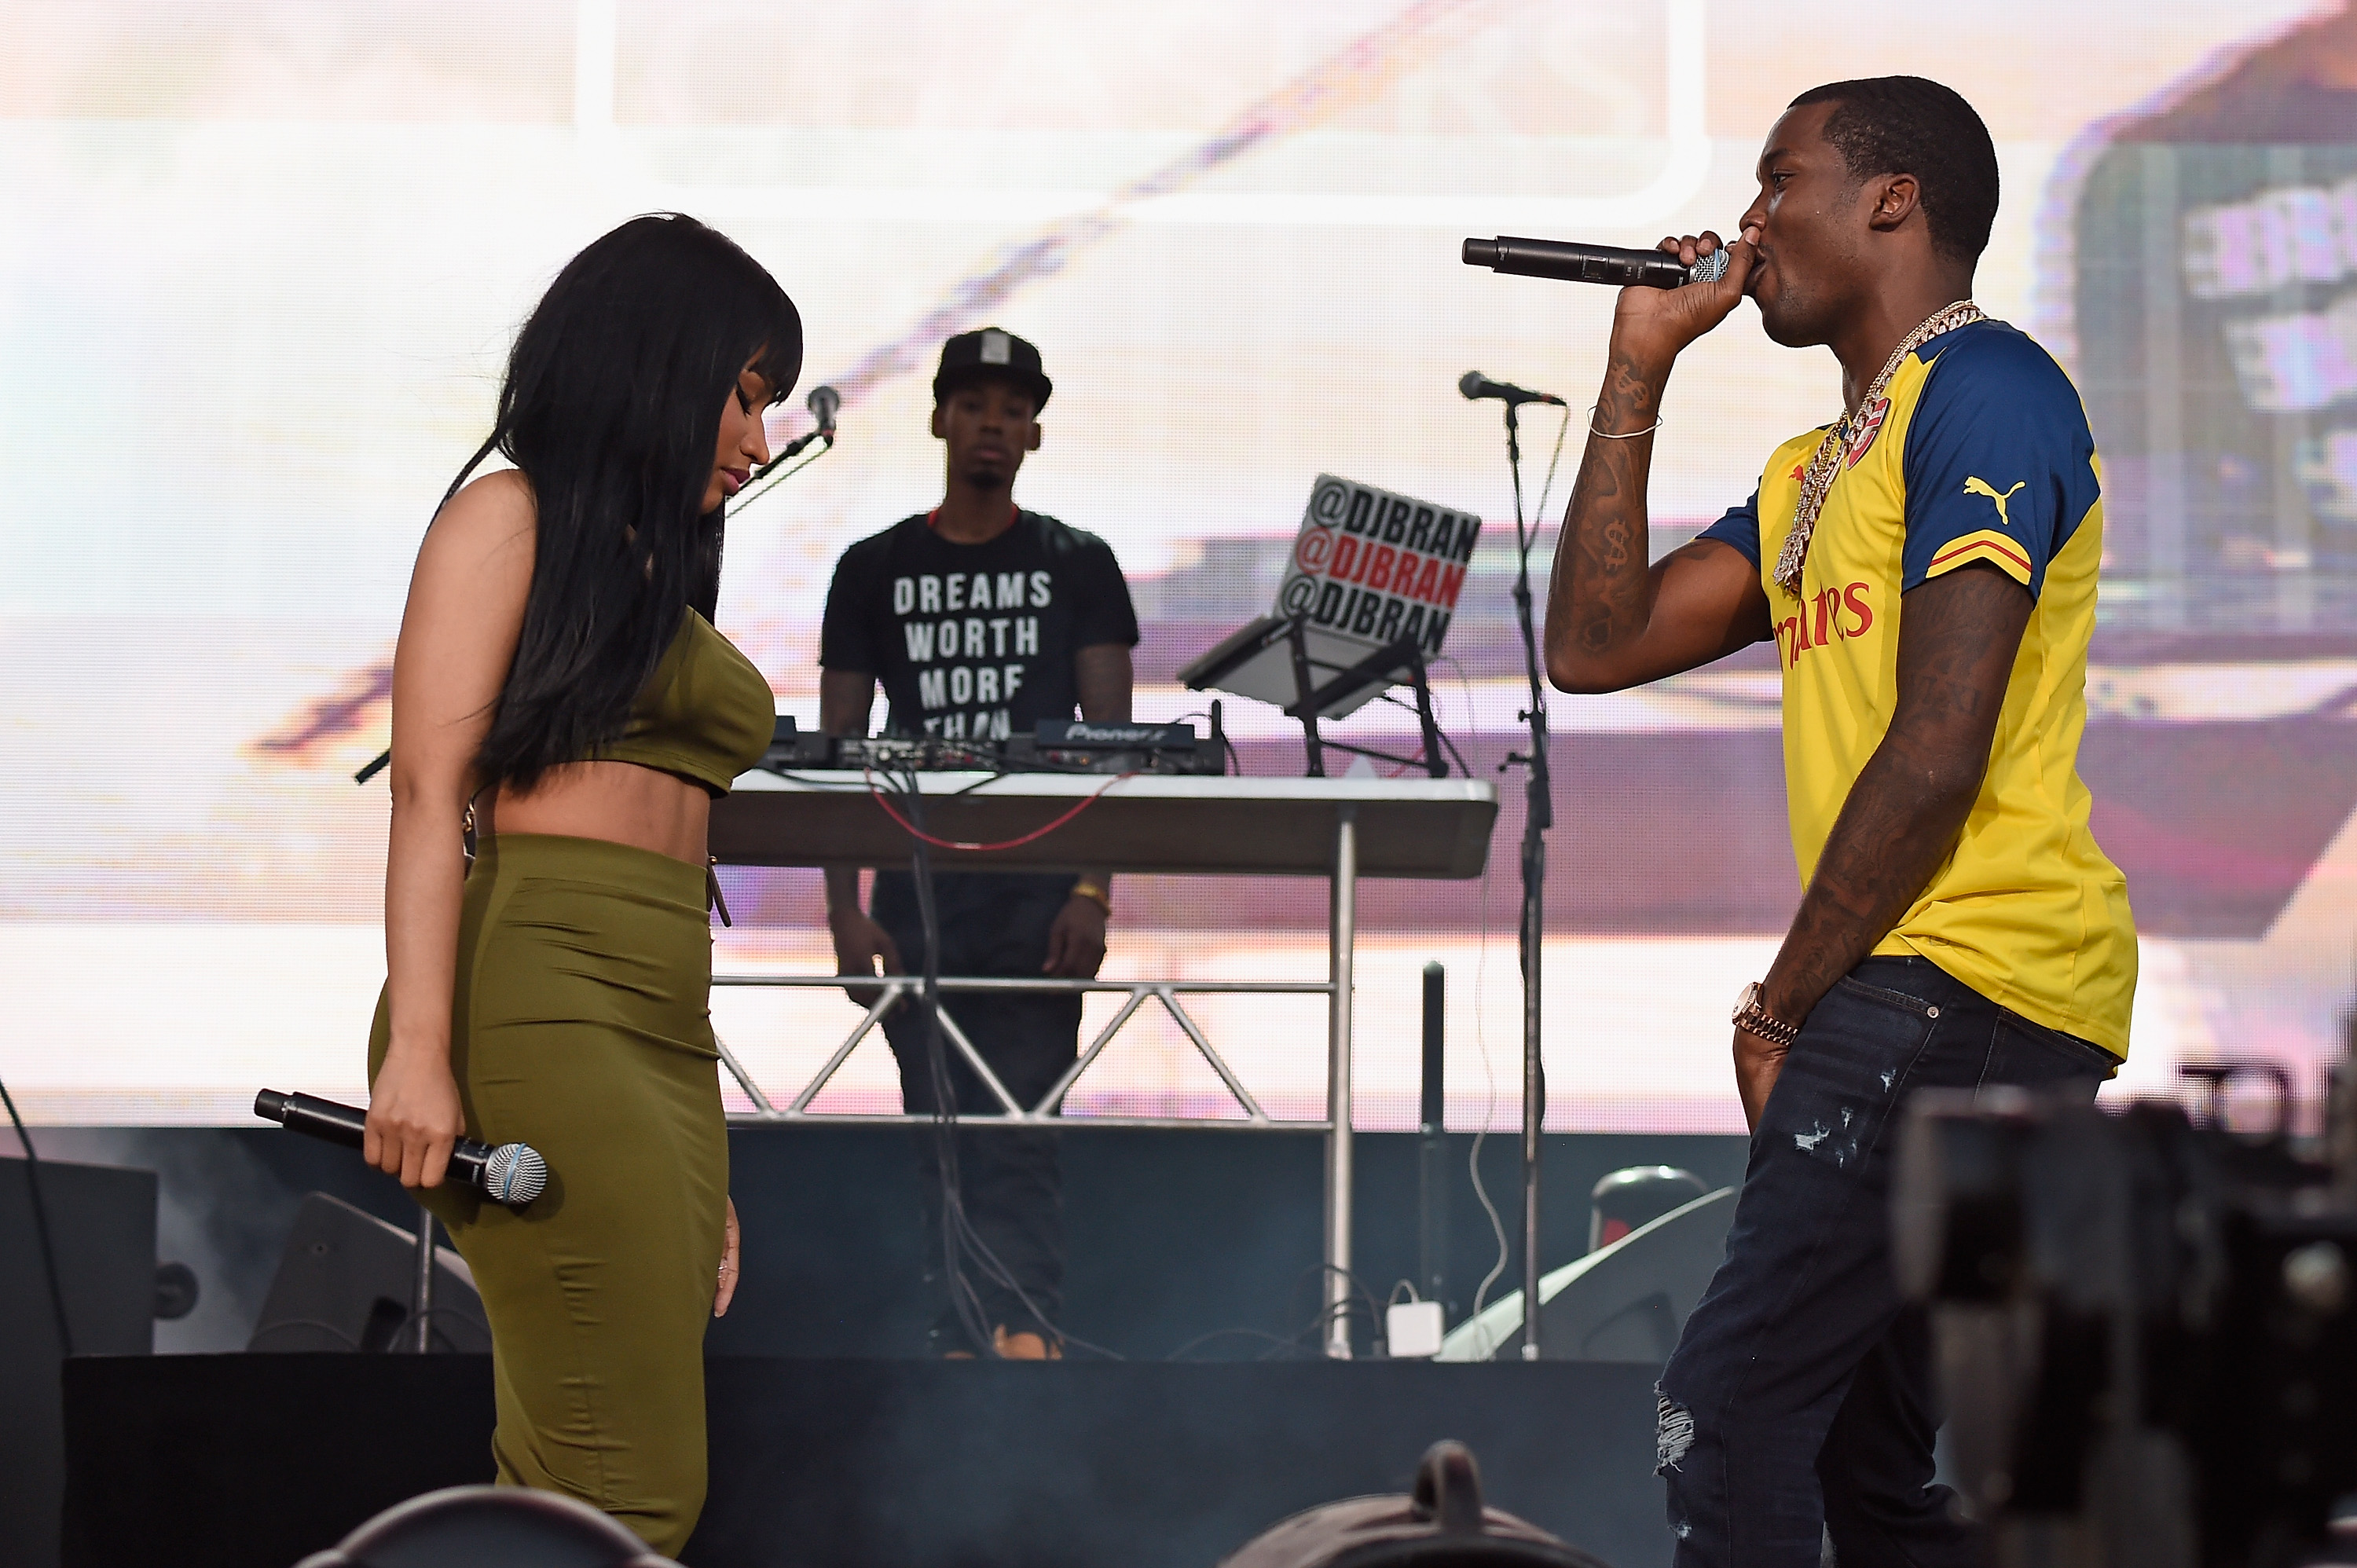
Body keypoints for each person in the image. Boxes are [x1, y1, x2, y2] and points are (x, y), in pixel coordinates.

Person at [1541, 79, 2138, 1566]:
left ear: (1893, 201)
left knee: (1725, 1412)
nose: (1749, 222)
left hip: (1965, 978)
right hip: (1958, 996)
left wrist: (1778, 1005)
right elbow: (1595, 642)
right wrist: (1638, 368)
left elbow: (1939, 753)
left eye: (1777, 180)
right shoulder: (1814, 473)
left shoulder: (1990, 388)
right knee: (1871, 1470)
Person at [361, 213, 797, 1554]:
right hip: (533, 1006)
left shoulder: (648, 565)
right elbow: (433, 797)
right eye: (740, 394)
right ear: (653, 363)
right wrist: (422, 1055)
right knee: (623, 1489)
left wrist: (686, 1147)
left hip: (656, 1033)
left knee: (580, 1474)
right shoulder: (508, 516)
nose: (759, 439)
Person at [817, 328, 1138, 1359]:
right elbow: (834, 754)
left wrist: (1094, 889)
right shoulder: (874, 569)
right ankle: (957, 1338)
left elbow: (1112, 749)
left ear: (1035, 431)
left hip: (1040, 895)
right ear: (939, 420)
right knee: (937, 1136)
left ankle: (1026, 1338)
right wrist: (841, 908)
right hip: (915, 895)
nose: (991, 424)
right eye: (973, 405)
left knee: (1020, 1132)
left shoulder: (1078, 563)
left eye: (1011, 408)